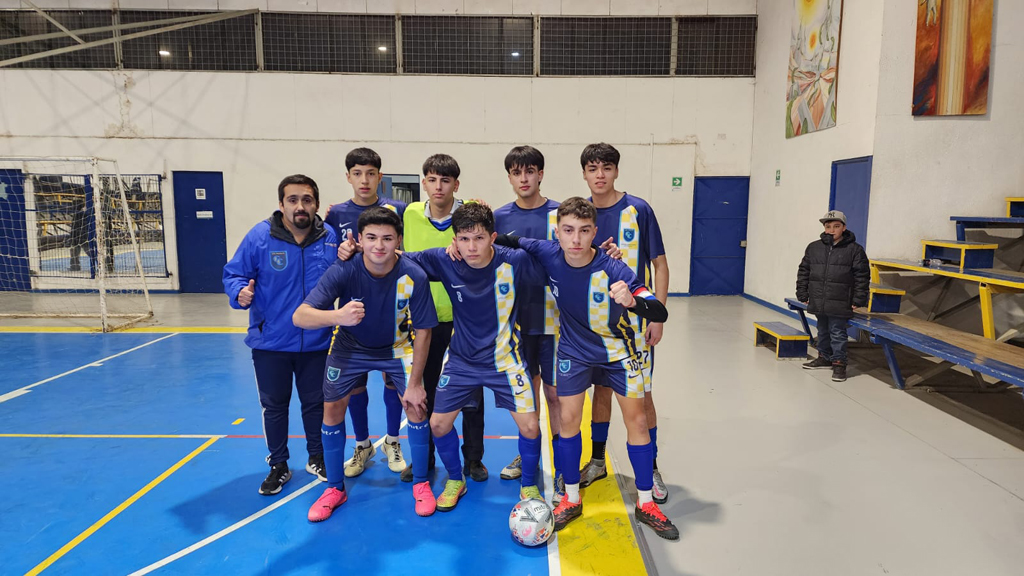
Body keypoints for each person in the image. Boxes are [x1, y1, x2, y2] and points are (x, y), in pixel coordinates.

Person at [476, 197, 679, 541]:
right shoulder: (546, 251)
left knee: (637, 421)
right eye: (568, 230)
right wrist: (468, 229)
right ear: (557, 232)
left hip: (618, 352)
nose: (575, 239)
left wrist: (633, 301)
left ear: (594, 233)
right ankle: (571, 497)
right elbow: (507, 239)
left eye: (584, 231)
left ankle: (646, 503)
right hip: (573, 351)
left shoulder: (615, 268)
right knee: (568, 420)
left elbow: (659, 310)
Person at [294, 207, 439, 520]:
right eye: (371, 238)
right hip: (350, 347)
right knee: (332, 409)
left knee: (416, 406)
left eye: (387, 238)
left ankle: (421, 483)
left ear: (398, 240)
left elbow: (425, 330)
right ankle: (335, 488)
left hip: (397, 347)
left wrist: (415, 384)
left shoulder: (413, 274)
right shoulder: (344, 269)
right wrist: (337, 316)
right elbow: (300, 316)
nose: (379, 245)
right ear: (359, 239)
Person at [222, 174, 336, 496]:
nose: (300, 206)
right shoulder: (260, 237)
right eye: (293, 200)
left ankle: (317, 457)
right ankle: (279, 464)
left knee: (315, 402)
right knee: (274, 406)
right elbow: (234, 273)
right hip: (271, 342)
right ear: (281, 204)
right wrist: (239, 293)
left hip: (316, 341)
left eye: (307, 200)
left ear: (316, 204)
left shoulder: (329, 238)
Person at [579, 143, 671, 504]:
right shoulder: (579, 214)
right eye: (592, 168)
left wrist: (658, 315)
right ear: (584, 174)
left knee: (642, 395)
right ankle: (598, 461)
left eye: (606, 167)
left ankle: (652, 467)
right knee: (600, 392)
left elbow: (660, 265)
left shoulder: (638, 210)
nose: (600, 175)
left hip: (634, 326)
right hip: (594, 326)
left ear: (616, 171)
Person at [397, 154, 487, 483]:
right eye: (432, 180)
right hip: (423, 320)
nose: (438, 187)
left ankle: (473, 459)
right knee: (427, 390)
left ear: (456, 185)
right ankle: (426, 457)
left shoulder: (468, 215)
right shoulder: (409, 213)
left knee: (471, 393)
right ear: (423, 183)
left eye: (445, 180)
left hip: (465, 319)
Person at [324, 147, 408, 479]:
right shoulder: (336, 213)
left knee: (392, 380)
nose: (364, 180)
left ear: (380, 177)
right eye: (357, 173)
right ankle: (362, 445)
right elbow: (329, 256)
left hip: (392, 310)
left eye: (371, 173)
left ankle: (392, 440)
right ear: (348, 177)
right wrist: (343, 252)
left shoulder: (398, 209)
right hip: (353, 313)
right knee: (355, 385)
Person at [492, 146, 563, 495]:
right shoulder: (498, 217)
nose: (524, 178)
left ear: (540, 174)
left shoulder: (559, 214)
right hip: (516, 322)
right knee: (526, 398)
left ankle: (563, 465)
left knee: (556, 395)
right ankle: (528, 457)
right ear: (509, 177)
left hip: (555, 321)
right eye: (517, 172)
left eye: (530, 171)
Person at [797, 210, 870, 382]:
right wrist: (802, 292)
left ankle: (839, 364)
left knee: (837, 332)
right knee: (822, 330)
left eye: (836, 226)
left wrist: (859, 299)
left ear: (844, 228)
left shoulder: (855, 250)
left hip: (841, 299)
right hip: (819, 299)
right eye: (828, 226)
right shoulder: (814, 247)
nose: (831, 230)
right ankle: (824, 357)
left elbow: (862, 276)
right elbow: (804, 271)